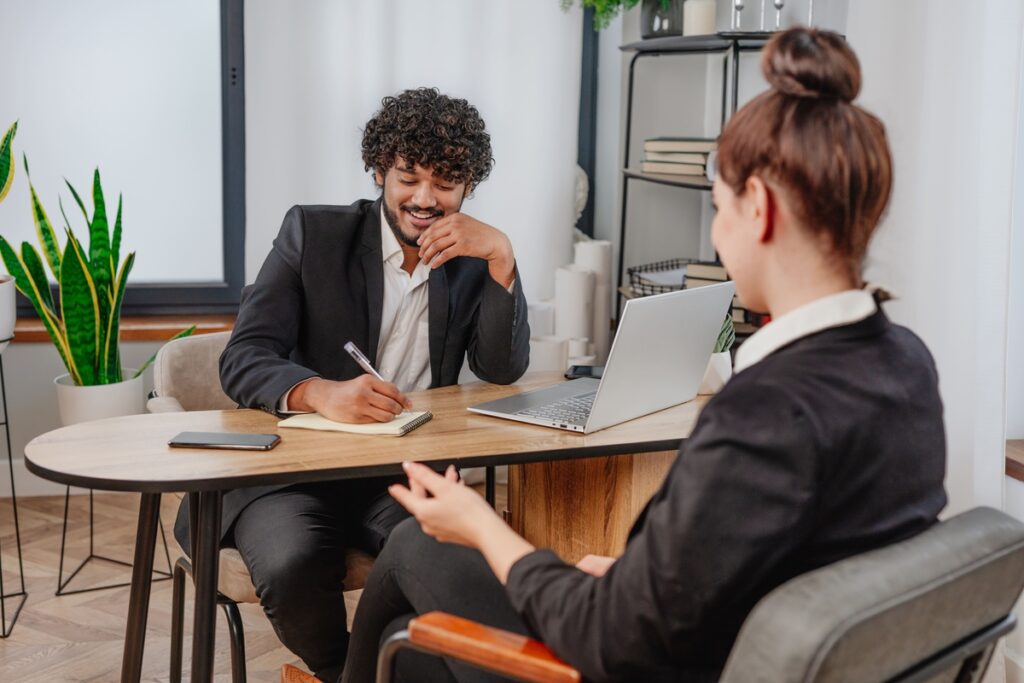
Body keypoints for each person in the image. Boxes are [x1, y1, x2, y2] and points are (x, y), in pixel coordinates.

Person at [340, 28, 948, 683]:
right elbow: (790, 559)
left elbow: (611, 641)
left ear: (761, 210)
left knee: (417, 544)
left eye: (719, 208)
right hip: (718, 637)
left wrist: (482, 525)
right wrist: (640, 578)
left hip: (632, 660)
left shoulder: (764, 415)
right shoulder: (906, 364)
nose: (717, 233)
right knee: (418, 656)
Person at [172, 87, 530, 683]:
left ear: (468, 186)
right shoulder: (313, 233)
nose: (425, 199)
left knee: (452, 561)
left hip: (401, 470)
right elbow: (243, 357)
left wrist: (502, 259)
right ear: (379, 171)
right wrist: (320, 392)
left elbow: (501, 368)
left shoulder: (472, 255)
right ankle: (345, 672)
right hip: (292, 474)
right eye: (408, 178)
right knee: (292, 563)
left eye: (445, 183)